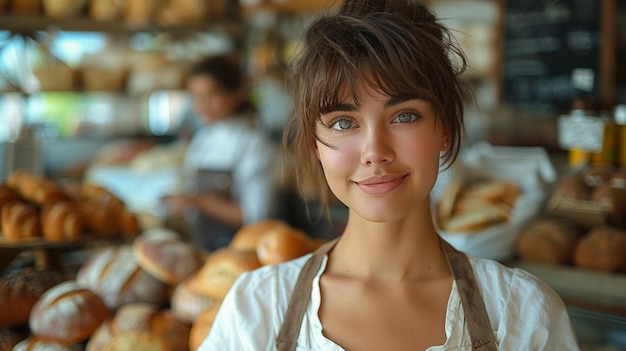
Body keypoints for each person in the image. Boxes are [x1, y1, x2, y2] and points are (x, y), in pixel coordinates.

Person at [200, 1, 580, 350]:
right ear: (315, 145)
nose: (375, 151)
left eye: (404, 116)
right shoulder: (257, 308)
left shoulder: (521, 313)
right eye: (343, 122)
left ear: (444, 128)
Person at [160, 54, 280, 251]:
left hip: (243, 254)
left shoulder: (253, 144)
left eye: (210, 95)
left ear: (236, 94)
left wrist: (196, 200)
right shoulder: (202, 139)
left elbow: (256, 217)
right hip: (204, 248)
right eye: (196, 97)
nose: (201, 105)